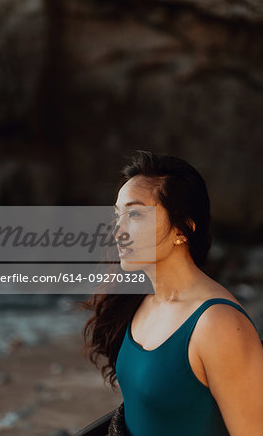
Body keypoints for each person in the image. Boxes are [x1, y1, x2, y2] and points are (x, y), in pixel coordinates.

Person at [79, 151, 263, 436]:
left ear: (183, 229)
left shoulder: (218, 324)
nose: (117, 231)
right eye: (117, 216)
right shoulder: (143, 300)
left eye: (135, 214)